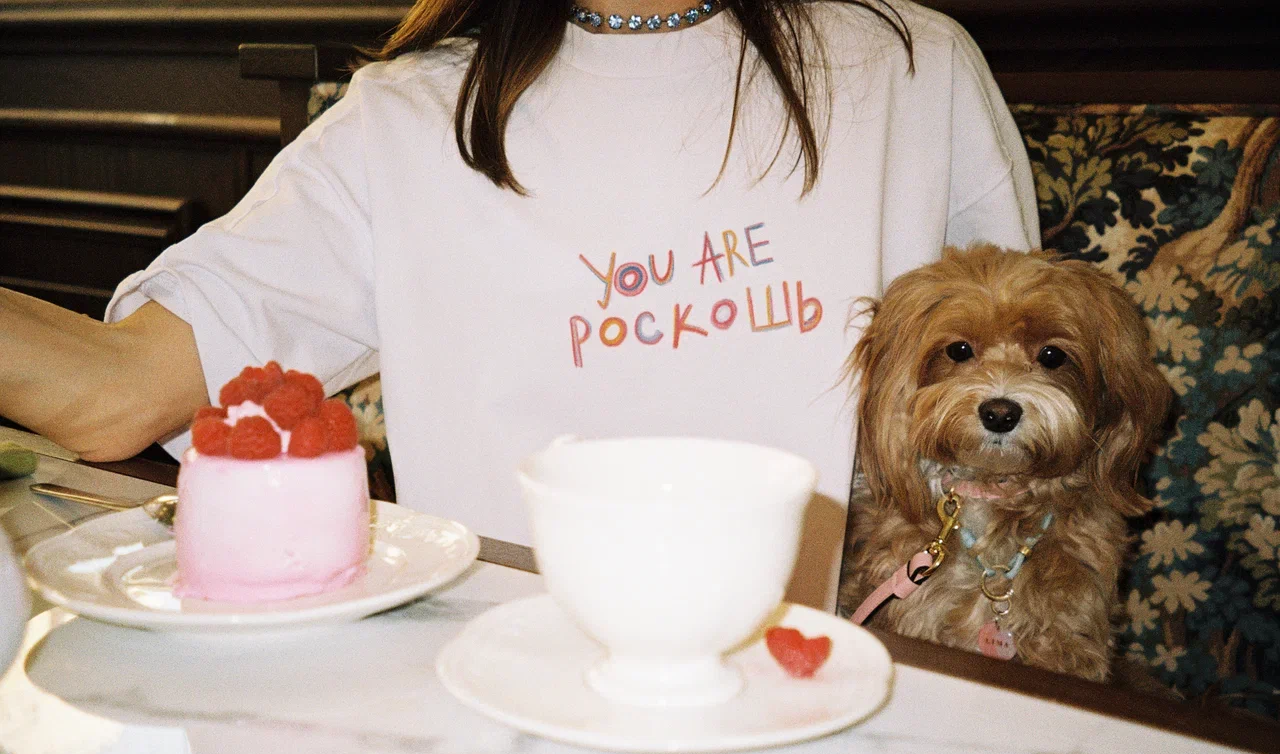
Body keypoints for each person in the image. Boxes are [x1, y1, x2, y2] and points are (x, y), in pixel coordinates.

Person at [0, 0, 1038, 609]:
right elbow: (122, 389)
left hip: (829, 696)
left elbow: (1029, 429)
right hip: (486, 697)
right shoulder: (406, 118)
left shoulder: (910, 70)